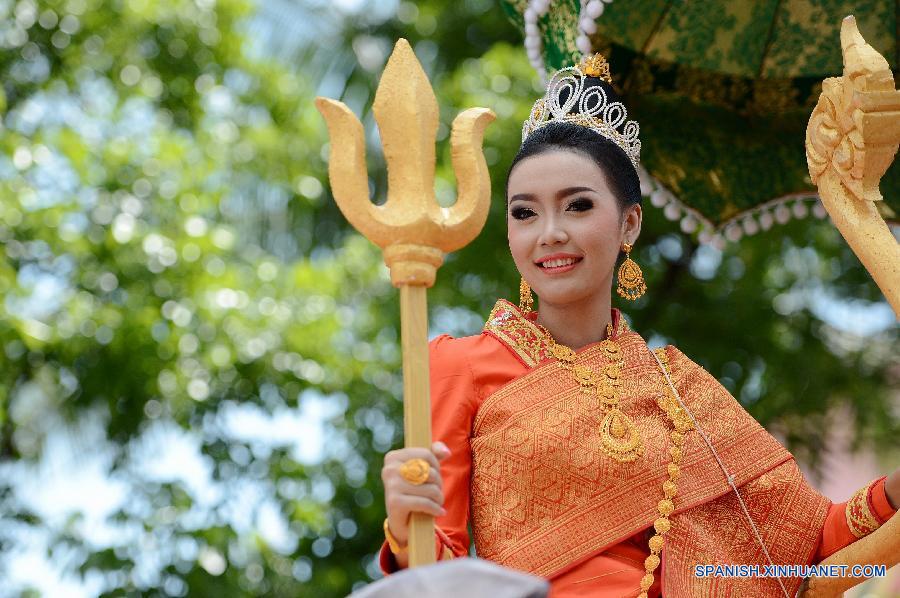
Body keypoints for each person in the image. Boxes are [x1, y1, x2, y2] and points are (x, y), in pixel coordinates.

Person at [377, 54, 899, 597]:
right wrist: (403, 522)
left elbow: (810, 550)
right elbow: (436, 573)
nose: (548, 233)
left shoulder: (679, 386)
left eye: (577, 206)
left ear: (630, 221)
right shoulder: (457, 365)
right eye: (524, 213)